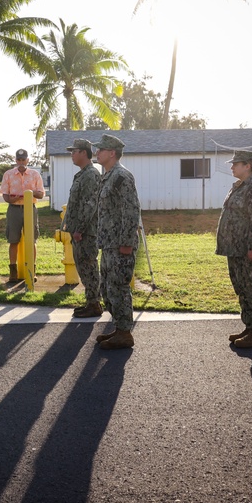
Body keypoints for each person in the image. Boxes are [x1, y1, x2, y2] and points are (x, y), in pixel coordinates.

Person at [91, 134, 141, 350]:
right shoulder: (109, 176)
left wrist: (127, 242)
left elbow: (131, 211)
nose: (97, 153)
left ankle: (125, 333)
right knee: (108, 289)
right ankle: (120, 327)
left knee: (119, 288)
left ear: (112, 153)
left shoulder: (122, 176)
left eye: (101, 150)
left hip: (121, 244)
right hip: (109, 243)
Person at [216, 150, 252, 349]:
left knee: (249, 288)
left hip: (249, 249)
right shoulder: (240, 186)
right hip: (236, 249)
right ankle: (249, 327)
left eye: (236, 163)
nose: (232, 166)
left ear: (247, 165)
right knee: (242, 288)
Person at [62, 138, 103, 318]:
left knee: (88, 265)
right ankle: (91, 301)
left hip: (86, 232)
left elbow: (90, 204)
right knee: (83, 266)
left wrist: (79, 229)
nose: (71, 154)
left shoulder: (90, 175)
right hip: (80, 231)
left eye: (74, 151)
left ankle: (94, 303)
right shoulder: (82, 174)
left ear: (84, 153)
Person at [0, 148, 45, 283]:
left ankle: (32, 270)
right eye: (18, 160)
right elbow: (6, 195)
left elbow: (41, 194)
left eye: (23, 159)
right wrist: (13, 199)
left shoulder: (35, 174)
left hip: (30, 208)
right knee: (13, 239)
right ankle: (13, 271)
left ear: (27, 160)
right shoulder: (8, 174)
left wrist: (29, 193)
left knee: (31, 240)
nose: (21, 162)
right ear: (15, 160)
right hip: (14, 209)